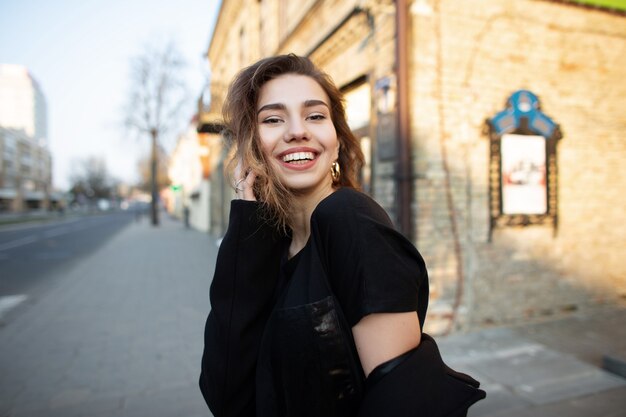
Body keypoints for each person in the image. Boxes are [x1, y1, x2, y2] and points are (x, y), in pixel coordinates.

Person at [199, 54, 485, 417]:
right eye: (273, 119)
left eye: (315, 115)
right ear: (252, 146)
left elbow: (406, 403)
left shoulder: (351, 222)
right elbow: (226, 396)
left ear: (336, 140)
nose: (297, 130)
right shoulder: (273, 246)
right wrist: (246, 223)